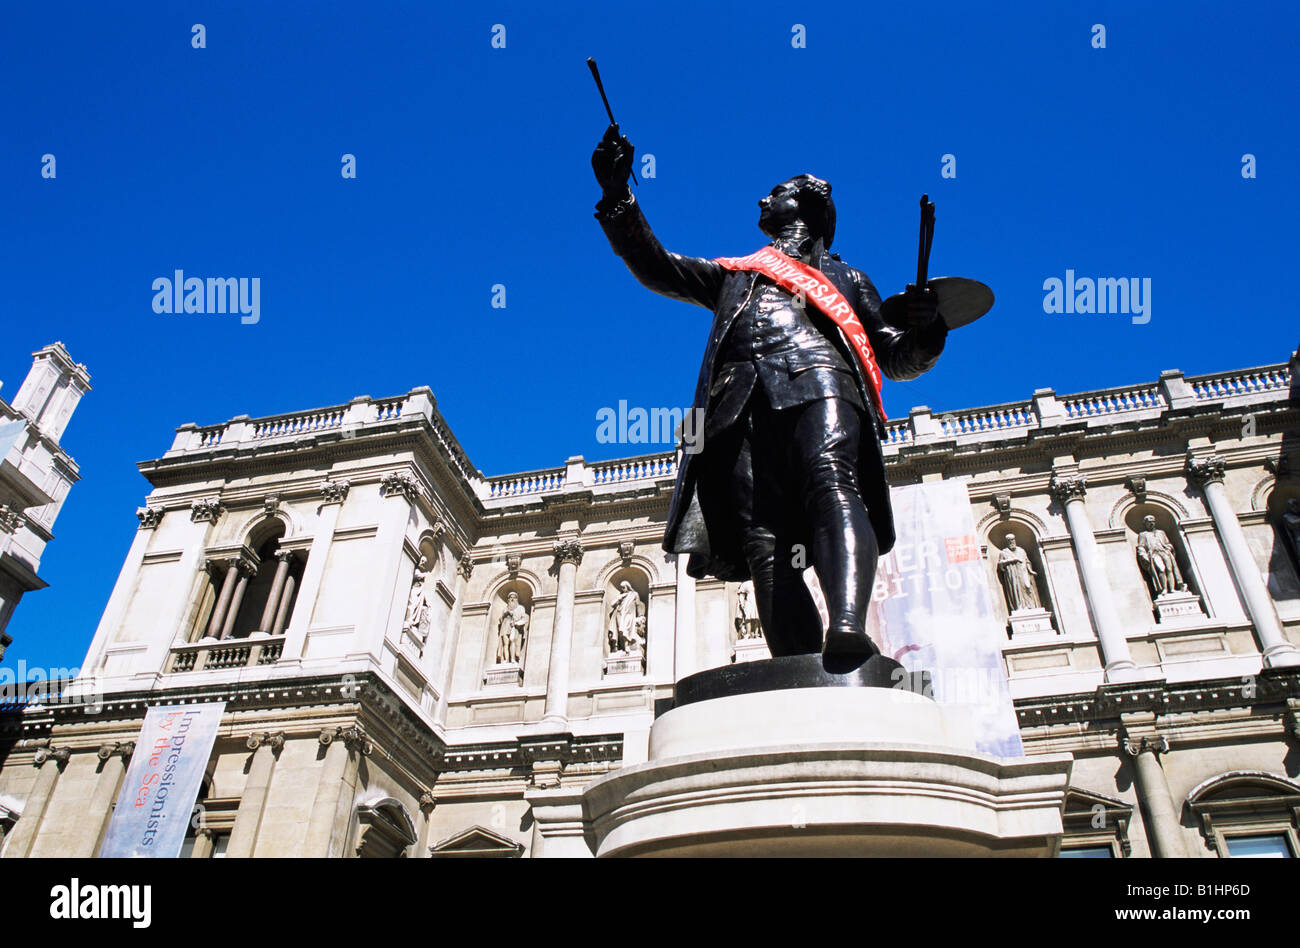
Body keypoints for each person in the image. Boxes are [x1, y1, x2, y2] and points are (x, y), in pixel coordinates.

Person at [592, 126, 947, 664]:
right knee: (763, 541)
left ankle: (848, 629)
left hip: (822, 380)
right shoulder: (737, 276)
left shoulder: (847, 277)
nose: (763, 198)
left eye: (776, 191)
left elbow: (896, 358)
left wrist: (928, 332)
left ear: (805, 203)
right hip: (741, 407)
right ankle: (798, 667)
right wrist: (618, 195)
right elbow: (657, 267)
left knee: (832, 482)